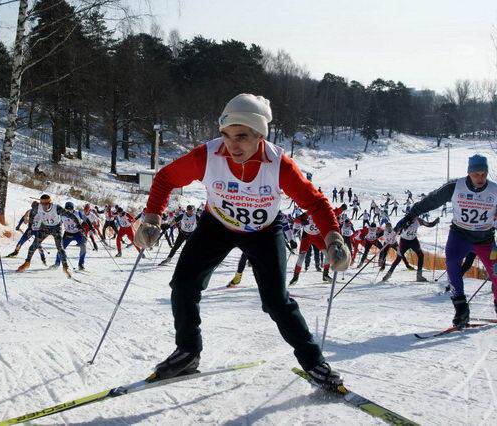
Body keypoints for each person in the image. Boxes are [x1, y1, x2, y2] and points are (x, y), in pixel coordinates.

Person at [134, 94, 350, 388]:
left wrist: (333, 237)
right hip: (217, 225)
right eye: (225, 135)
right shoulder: (206, 156)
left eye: (242, 136)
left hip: (263, 232)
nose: (231, 145)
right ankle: (188, 352)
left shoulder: (279, 165)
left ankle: (314, 363)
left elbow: (315, 202)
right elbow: (165, 179)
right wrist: (151, 218)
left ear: (260, 135)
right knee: (184, 285)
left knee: (276, 301)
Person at [394, 154, 497, 325]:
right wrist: (410, 215)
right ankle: (461, 310)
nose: (480, 178)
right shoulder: (455, 187)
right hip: (460, 236)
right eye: (476, 174)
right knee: (452, 265)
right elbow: (431, 201)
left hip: (485, 239)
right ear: (468, 173)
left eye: (483, 174)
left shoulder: (494, 190)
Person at [16, 194, 72, 277]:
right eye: (41, 204)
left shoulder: (47, 209)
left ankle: (61, 265)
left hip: (44, 229)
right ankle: (25, 261)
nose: (34, 208)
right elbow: (25, 218)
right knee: (32, 246)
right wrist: (22, 224)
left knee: (46, 247)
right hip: (33, 230)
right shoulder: (32, 211)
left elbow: (54, 214)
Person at [382, 216, 439, 282]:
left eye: (416, 215)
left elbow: (429, 224)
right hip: (404, 242)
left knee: (421, 255)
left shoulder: (419, 220)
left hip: (413, 241)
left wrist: (435, 222)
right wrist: (401, 228)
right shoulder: (404, 220)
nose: (414, 217)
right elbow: (396, 229)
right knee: (399, 258)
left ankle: (419, 276)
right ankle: (388, 274)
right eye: (413, 215)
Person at [53, 202, 88, 270]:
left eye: (70, 210)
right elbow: (58, 223)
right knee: (61, 248)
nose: (69, 212)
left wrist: (91, 227)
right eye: (67, 210)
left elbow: (86, 219)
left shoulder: (78, 213)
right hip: (68, 234)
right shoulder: (62, 215)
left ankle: (81, 264)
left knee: (83, 247)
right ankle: (57, 264)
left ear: (73, 209)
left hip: (78, 233)